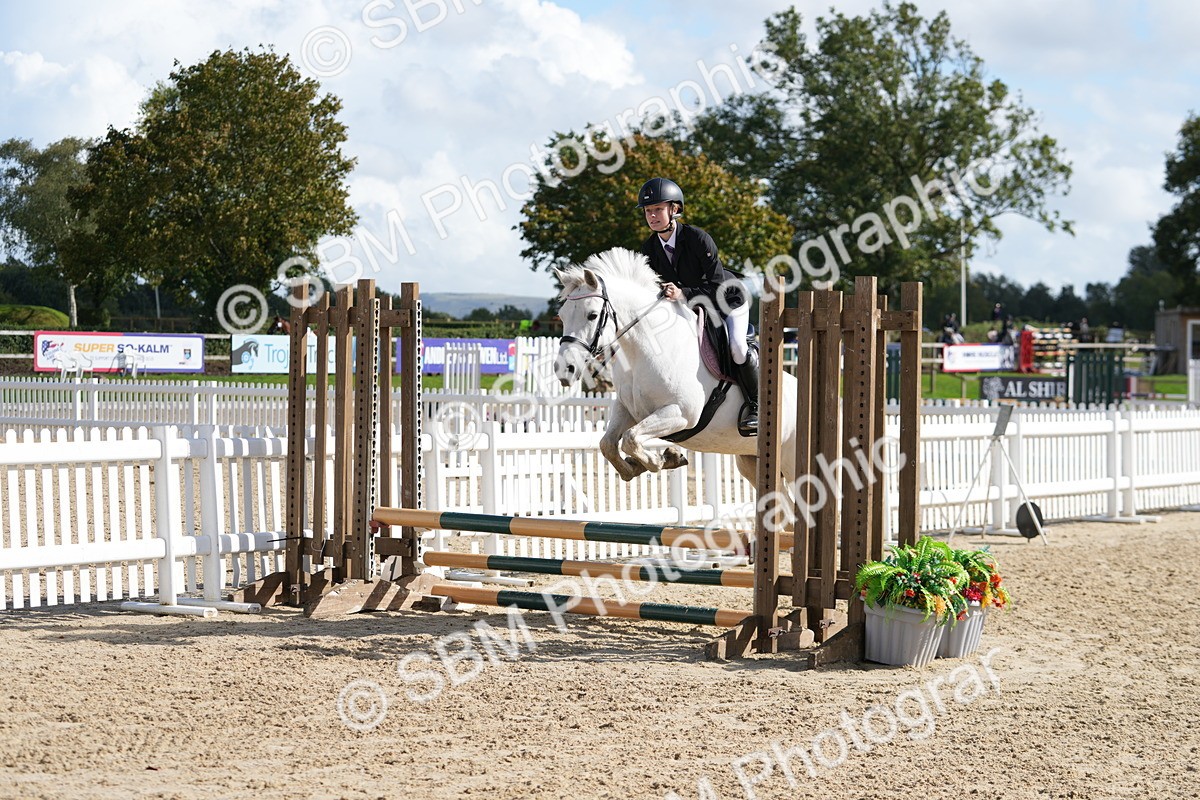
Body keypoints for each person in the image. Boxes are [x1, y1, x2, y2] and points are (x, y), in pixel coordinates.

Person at [636, 177, 758, 436]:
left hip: (727, 301)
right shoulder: (649, 249)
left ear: (674, 209)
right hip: (691, 307)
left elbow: (717, 286)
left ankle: (756, 406)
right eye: (648, 211)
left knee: (737, 348)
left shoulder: (698, 239)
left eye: (658, 209)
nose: (652, 216)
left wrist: (683, 293)